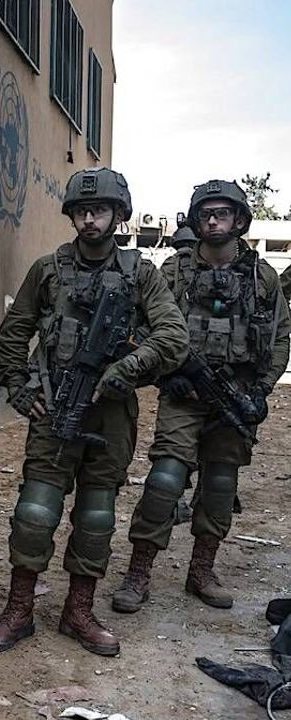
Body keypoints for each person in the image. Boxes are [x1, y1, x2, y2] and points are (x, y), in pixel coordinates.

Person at [0, 167, 187, 657]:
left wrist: (128, 367)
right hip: (56, 407)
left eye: (100, 211)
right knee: (35, 511)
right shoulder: (48, 270)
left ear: (118, 214)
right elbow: (13, 333)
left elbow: (174, 336)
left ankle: (79, 610)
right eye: (82, 211)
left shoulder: (142, 274)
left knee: (96, 515)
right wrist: (18, 387)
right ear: (71, 216)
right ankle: (19, 610)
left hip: (111, 413)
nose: (90, 219)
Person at [112, 180, 289, 613]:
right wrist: (164, 375)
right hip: (184, 394)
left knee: (220, 485)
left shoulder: (262, 277)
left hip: (235, 396)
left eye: (222, 213)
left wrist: (261, 390)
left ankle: (201, 570)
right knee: (165, 480)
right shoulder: (174, 272)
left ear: (239, 220)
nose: (213, 221)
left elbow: (280, 336)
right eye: (206, 214)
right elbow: (139, 329)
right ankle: (139, 571)